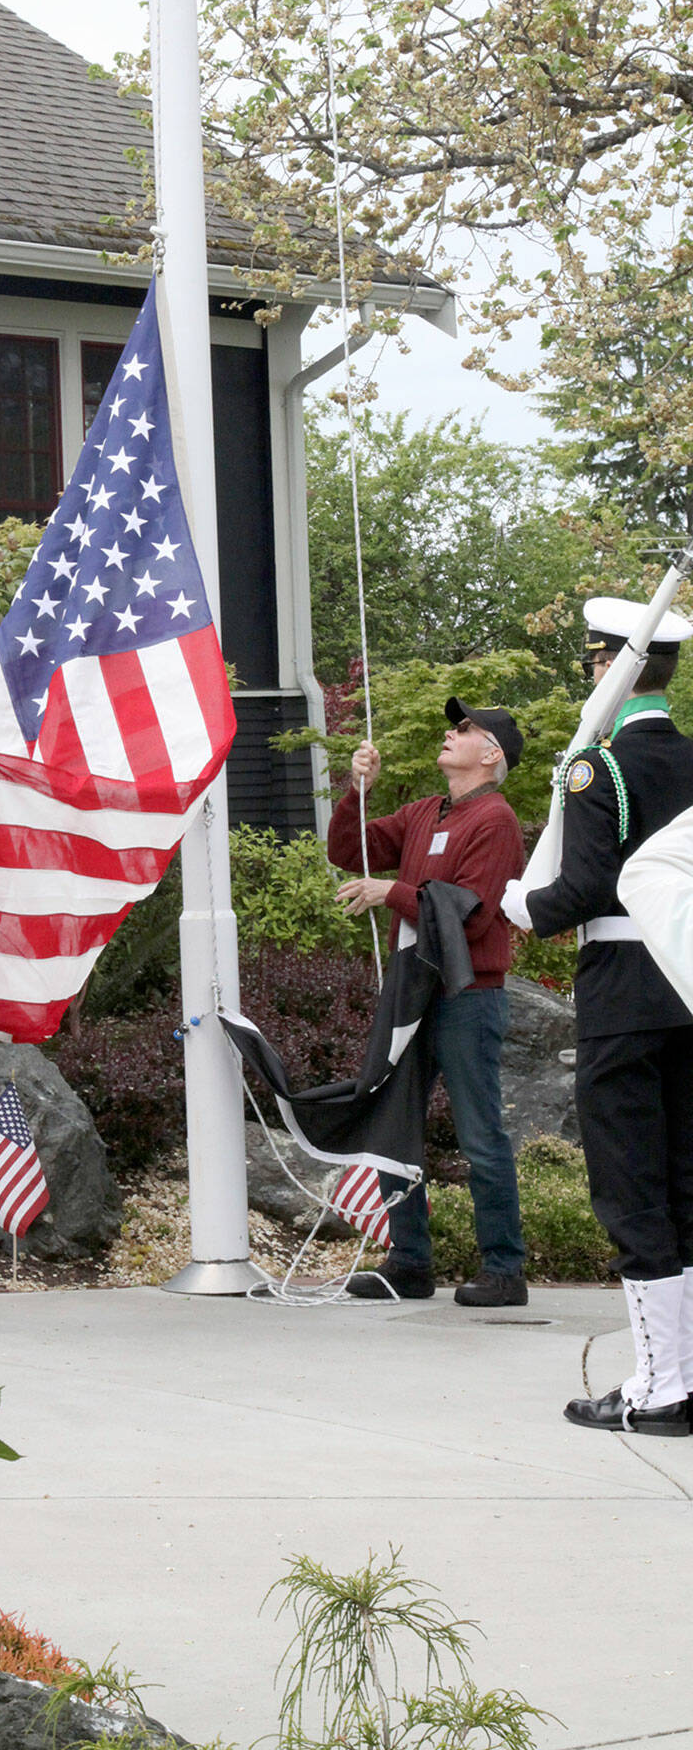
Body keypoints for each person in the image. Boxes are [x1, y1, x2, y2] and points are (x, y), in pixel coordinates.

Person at [504, 598, 693, 1435]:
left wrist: (525, 908)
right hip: (687, 987)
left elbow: (582, 891)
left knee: (632, 1191)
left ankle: (659, 1388)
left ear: (602, 667)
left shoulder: (598, 771)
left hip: (622, 995)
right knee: (686, 1185)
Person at [328, 699, 528, 1304]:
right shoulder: (424, 812)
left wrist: (394, 891)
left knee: (479, 1135)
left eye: (465, 728)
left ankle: (504, 1270)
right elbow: (348, 851)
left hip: (468, 997)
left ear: (491, 754)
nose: (451, 730)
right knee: (395, 1126)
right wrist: (357, 790)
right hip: (412, 990)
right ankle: (409, 1263)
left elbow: (467, 912)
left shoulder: (495, 820)